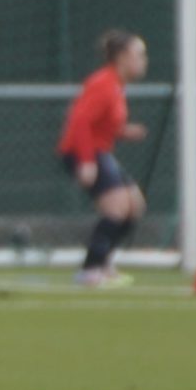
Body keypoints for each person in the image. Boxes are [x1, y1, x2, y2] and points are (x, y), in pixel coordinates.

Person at [55, 30, 149, 287]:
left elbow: (101, 123)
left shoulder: (116, 86)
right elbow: (80, 121)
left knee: (135, 205)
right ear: (122, 57)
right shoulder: (103, 83)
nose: (144, 60)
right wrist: (86, 161)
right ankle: (90, 269)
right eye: (139, 54)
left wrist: (124, 131)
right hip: (83, 152)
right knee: (117, 208)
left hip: (99, 152)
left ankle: (103, 262)